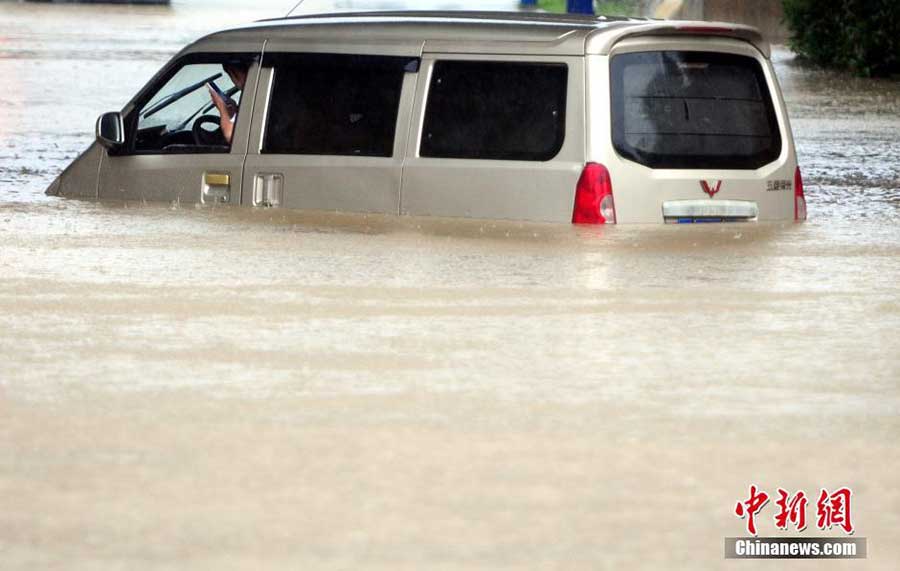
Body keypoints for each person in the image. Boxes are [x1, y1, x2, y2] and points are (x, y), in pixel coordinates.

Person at [206, 63, 248, 144]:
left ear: (235, 75)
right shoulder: (267, 97)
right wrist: (234, 114)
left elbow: (232, 138)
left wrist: (223, 109)